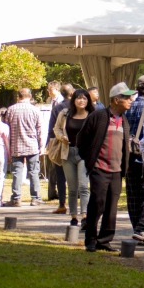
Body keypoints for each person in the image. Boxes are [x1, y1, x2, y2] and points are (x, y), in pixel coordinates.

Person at [78, 82, 136, 251]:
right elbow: (81, 140)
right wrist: (91, 161)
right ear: (116, 99)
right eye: (127, 97)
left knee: (111, 208)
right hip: (99, 168)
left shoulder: (123, 120)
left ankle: (105, 240)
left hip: (117, 170)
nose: (130, 100)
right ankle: (90, 239)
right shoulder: (98, 116)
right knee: (97, 204)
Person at [53, 89, 94, 226]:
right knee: (72, 187)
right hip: (67, 153)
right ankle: (74, 216)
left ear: (88, 101)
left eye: (84, 98)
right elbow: (56, 128)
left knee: (83, 186)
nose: (81, 101)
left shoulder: (92, 115)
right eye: (79, 98)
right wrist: (61, 137)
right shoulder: (65, 114)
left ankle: (85, 215)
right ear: (74, 100)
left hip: (84, 154)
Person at [123, 75, 144, 243]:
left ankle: (136, 227)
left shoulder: (128, 105)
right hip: (143, 155)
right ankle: (142, 229)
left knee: (132, 193)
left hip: (129, 154)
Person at [6, 88, 43, 207]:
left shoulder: (11, 110)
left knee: (17, 172)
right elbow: (40, 130)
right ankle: (35, 198)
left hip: (16, 145)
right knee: (34, 172)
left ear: (18, 97)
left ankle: (16, 198)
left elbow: (7, 129)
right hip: (32, 145)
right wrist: (41, 145)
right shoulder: (35, 110)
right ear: (30, 96)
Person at [44, 81, 69, 213]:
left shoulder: (58, 108)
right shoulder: (81, 107)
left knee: (60, 174)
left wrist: (49, 143)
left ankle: (62, 203)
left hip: (60, 144)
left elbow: (52, 128)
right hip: (75, 145)